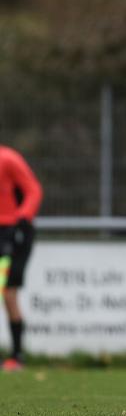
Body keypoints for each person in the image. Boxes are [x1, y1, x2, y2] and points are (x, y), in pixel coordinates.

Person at [0, 145, 43, 371]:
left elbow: (33, 190)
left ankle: (16, 356)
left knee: (8, 294)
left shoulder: (8, 159)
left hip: (13, 233)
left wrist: (23, 219)